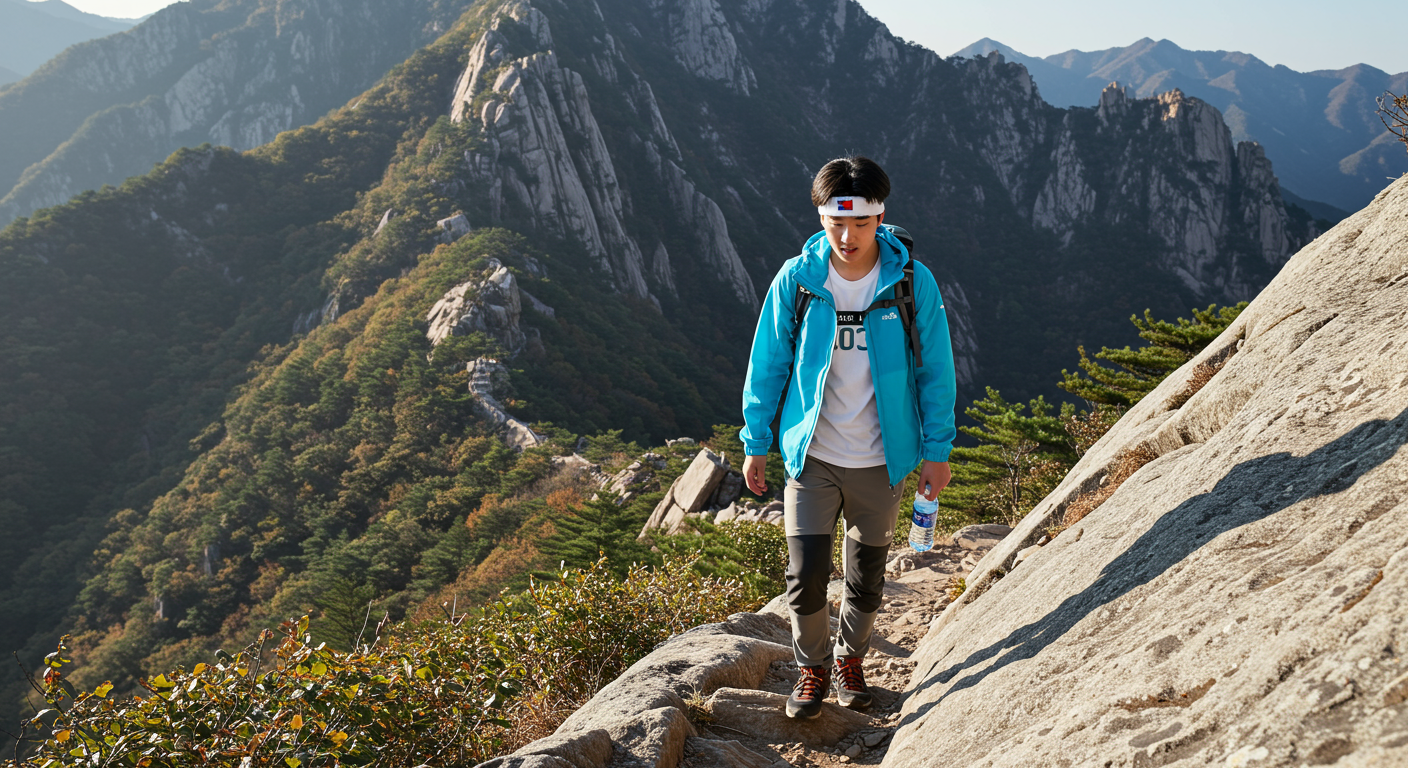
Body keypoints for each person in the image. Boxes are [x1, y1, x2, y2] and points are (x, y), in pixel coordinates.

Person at [739, 156, 957, 719]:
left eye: (860, 224)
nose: (847, 236)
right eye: (835, 223)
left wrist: (936, 452)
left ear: (880, 217)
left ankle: (849, 660)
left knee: (866, 577)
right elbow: (767, 361)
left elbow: (937, 369)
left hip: (881, 461)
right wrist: (755, 439)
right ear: (820, 218)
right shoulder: (799, 279)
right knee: (804, 574)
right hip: (811, 456)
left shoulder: (910, 281)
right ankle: (812, 671)